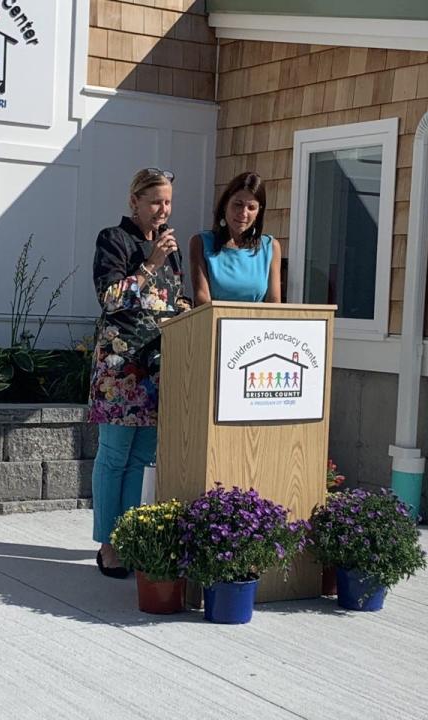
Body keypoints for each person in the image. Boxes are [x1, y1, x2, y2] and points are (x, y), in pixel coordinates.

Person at [88, 168, 189, 578]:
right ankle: (108, 545)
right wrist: (151, 263)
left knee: (144, 457)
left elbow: (175, 297)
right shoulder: (113, 240)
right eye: (154, 202)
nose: (162, 211)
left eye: (167, 202)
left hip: (157, 366)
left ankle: (129, 537)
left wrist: (184, 312)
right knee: (114, 455)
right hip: (119, 368)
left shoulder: (171, 245)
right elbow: (110, 299)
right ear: (134, 201)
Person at [189, 171, 282, 304]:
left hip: (258, 324)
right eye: (238, 204)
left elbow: (273, 302)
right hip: (216, 323)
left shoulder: (270, 247)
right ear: (225, 204)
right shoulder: (200, 242)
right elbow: (201, 299)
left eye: (251, 207)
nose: (244, 213)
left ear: (258, 212)